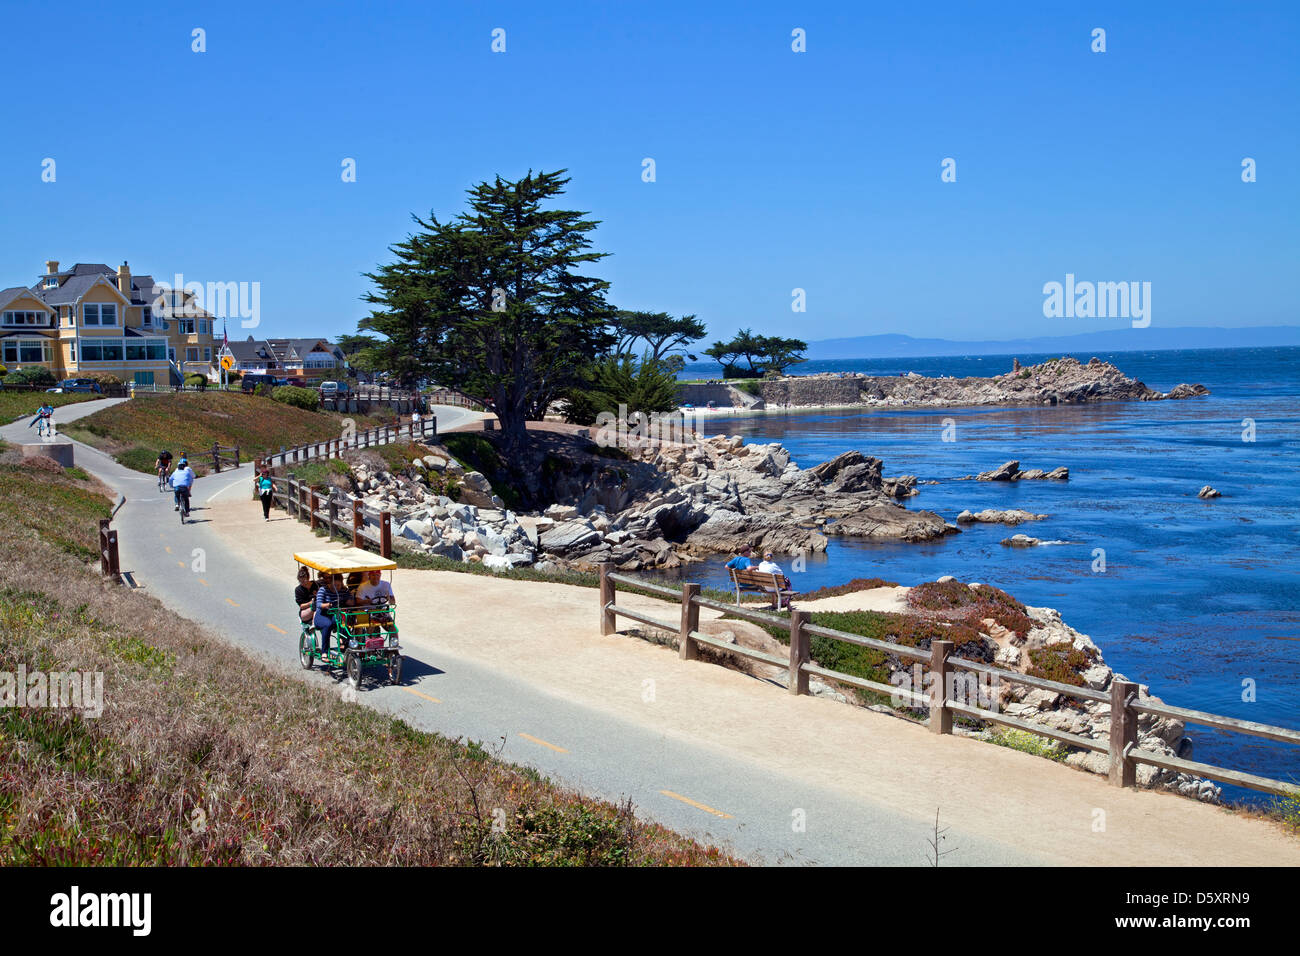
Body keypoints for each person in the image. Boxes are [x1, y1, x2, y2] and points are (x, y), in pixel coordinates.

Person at [313, 572, 350, 656]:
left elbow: (350, 600)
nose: (337, 587)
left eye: (338, 585)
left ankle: (345, 643)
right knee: (327, 624)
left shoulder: (344, 590)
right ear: (330, 583)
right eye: (335, 585)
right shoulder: (323, 590)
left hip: (335, 615)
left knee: (344, 620)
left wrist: (350, 600)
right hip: (322, 615)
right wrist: (326, 605)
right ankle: (324, 651)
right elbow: (318, 604)